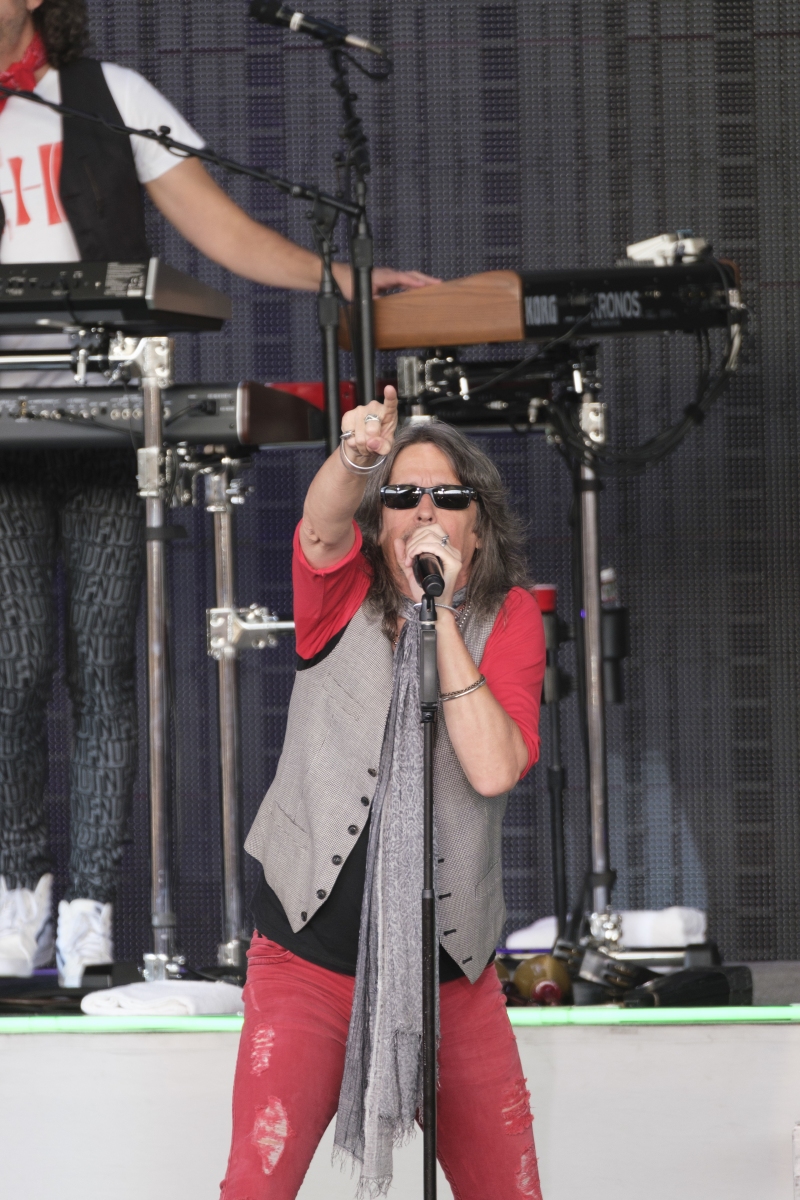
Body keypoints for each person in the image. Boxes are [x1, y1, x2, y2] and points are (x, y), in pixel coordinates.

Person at [0, 0, 437, 986]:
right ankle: (16, 894)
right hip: (2, 431)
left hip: (112, 419)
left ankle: (88, 915)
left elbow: (226, 235)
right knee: (14, 668)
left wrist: (343, 280)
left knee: (103, 669)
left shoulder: (109, 98)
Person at [223, 386, 546, 1199]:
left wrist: (440, 617)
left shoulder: (509, 619)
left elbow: (493, 767)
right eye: (402, 495)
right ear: (379, 521)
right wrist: (357, 458)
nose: (425, 510)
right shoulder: (339, 593)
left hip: (451, 977)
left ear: (478, 526)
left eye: (448, 497)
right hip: (307, 961)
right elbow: (320, 523)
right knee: (254, 1186)